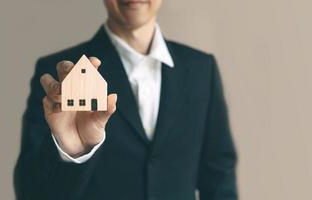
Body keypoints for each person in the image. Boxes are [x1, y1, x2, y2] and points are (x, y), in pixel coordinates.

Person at [14, 0, 238, 199]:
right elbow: (31, 192)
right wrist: (72, 152)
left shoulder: (201, 69)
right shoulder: (61, 77)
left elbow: (219, 178)